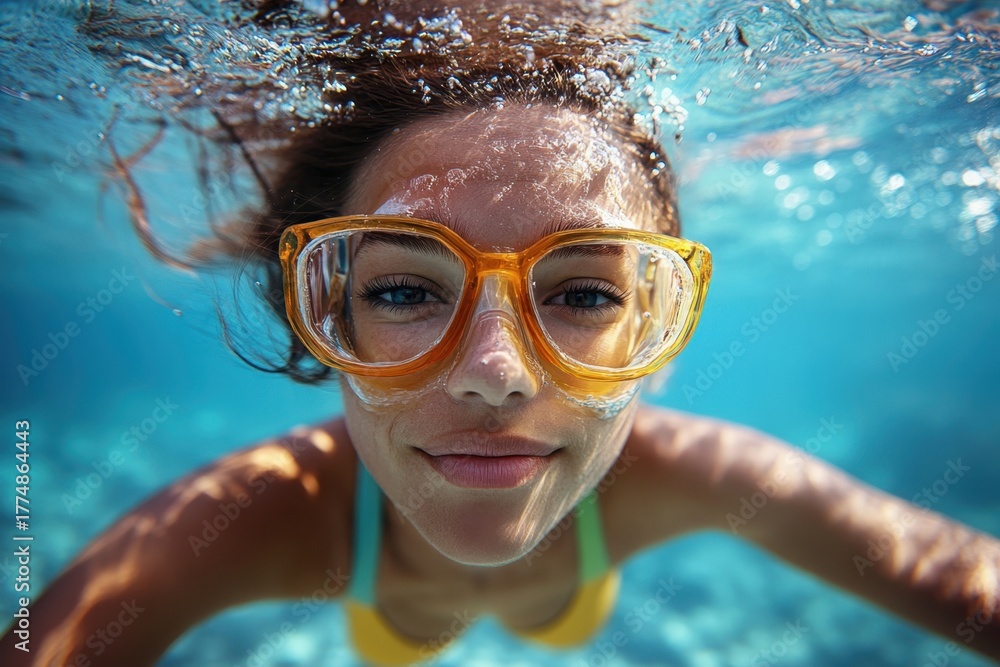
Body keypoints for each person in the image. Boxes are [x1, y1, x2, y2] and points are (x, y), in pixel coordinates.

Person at [2, 1, 998, 665]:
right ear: (320, 321)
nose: (495, 375)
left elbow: (953, 574)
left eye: (585, 297)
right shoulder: (262, 515)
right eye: (401, 295)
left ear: (665, 332)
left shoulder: (696, 475)